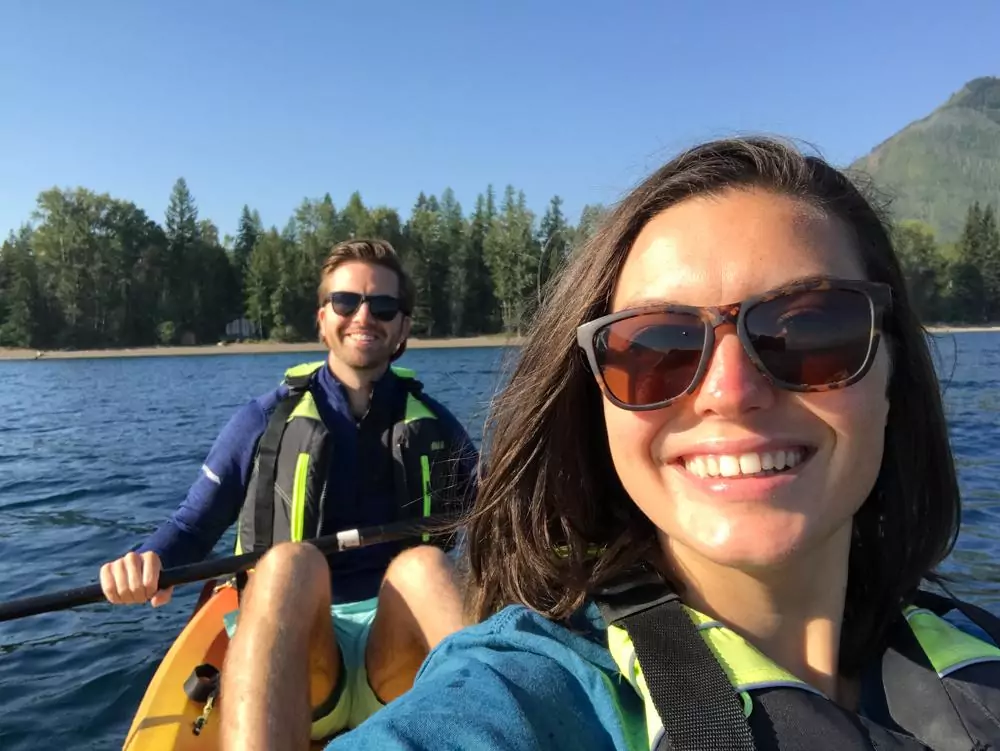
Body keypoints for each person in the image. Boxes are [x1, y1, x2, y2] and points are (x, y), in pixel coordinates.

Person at [268, 137, 1000, 751]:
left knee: (427, 563)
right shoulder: (528, 695)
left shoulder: (976, 651)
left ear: (894, 371)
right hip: (322, 624)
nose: (731, 390)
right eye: (654, 348)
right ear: (597, 410)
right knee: (285, 569)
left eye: (812, 332)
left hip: (398, 605)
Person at [100, 238, 479, 740]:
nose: (364, 316)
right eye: (346, 302)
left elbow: (498, 511)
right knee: (288, 562)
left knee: (425, 565)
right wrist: (147, 560)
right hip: (302, 663)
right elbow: (192, 525)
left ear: (403, 328)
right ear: (322, 319)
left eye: (383, 306)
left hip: (400, 668)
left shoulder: (438, 427)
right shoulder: (261, 421)